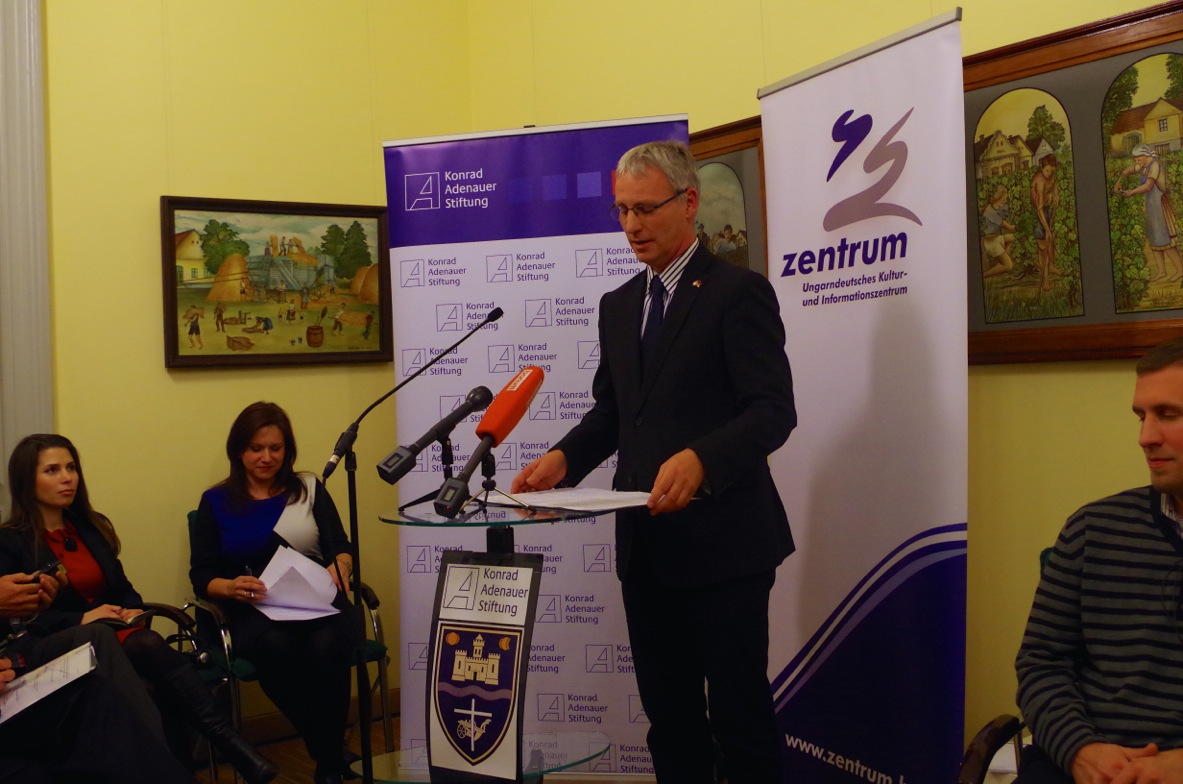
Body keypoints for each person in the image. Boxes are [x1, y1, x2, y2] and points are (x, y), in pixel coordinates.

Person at [511, 140, 796, 783]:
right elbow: (616, 414)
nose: (631, 225)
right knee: (670, 721)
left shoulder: (738, 293)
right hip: (647, 550)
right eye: (622, 210)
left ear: (688, 202)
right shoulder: (618, 305)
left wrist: (702, 458)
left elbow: (773, 411)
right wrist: (563, 459)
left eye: (644, 209)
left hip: (726, 549)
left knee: (740, 720)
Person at [0, 433, 277, 784]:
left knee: (151, 670)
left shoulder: (90, 528)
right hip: (59, 649)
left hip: (117, 638)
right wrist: (83, 617)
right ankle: (230, 746)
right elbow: (20, 621)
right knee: (143, 646)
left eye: (71, 468)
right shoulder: (10, 541)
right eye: (52, 470)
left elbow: (125, 591)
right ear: (27, 480)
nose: (67, 478)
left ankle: (195, 763)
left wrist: (129, 612)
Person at [1014, 335, 1183, 784]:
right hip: (1085, 763)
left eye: (1169, 414)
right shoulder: (1094, 528)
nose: (1145, 437)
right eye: (1142, 416)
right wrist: (1080, 751)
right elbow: (1041, 663)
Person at [190, 401, 355, 784]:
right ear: (239, 451)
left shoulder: (309, 488)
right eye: (256, 448)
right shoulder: (216, 501)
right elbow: (202, 575)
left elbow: (340, 545)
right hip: (255, 609)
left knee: (327, 646)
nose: (266, 457)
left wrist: (341, 565)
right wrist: (230, 587)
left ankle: (326, 758)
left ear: (287, 450)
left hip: (317, 603)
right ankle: (329, 754)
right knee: (277, 647)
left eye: (275, 448)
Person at [0, 568, 197, 783]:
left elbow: (125, 591)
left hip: (13, 660)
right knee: (128, 656)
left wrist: (29, 603)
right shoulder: (16, 547)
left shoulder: (95, 544)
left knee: (95, 675)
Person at [1114, 144, 1183, 283]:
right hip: (1151, 206)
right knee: (1154, 238)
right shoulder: (1144, 166)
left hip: (1160, 206)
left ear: (1146, 156)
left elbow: (1148, 186)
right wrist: (1119, 181)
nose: (1137, 161)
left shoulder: (1154, 165)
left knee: (1166, 239)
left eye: (1138, 158)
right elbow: (1128, 170)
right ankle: (1161, 271)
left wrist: (1132, 192)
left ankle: (1180, 270)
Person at [1030, 153, 1060, 294]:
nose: (1049, 173)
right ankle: (1045, 279)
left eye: (1052, 170)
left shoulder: (1051, 175)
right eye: (1047, 170)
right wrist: (1046, 229)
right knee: (1043, 246)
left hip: (1047, 209)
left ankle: (1052, 266)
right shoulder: (1039, 181)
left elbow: (1054, 184)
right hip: (1038, 212)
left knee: (1051, 240)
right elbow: (1039, 208)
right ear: (1042, 168)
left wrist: (1056, 194)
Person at [981, 184, 1017, 279]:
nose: (1005, 201)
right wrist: (1020, 225)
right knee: (1009, 265)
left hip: (996, 238)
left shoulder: (998, 206)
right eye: (1004, 199)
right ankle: (983, 275)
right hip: (990, 243)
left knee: (1016, 238)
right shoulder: (990, 212)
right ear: (997, 198)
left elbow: (1008, 209)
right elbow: (1010, 227)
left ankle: (1001, 265)